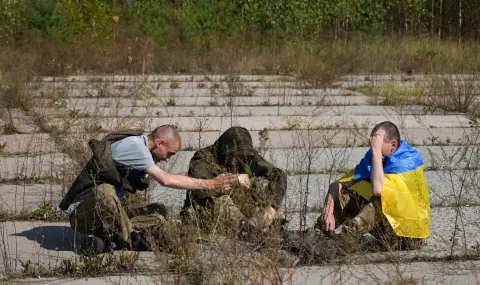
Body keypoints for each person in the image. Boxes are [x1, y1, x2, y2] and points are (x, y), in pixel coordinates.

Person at [59, 125, 240, 255]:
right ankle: (132, 239)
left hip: (105, 214)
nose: (168, 159)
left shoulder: (142, 147)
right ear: (159, 143)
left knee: (158, 210)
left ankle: (108, 240)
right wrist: (211, 184)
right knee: (105, 191)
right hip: (83, 215)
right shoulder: (137, 148)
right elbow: (166, 180)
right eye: (169, 154)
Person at [285, 121, 430, 262]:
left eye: (377, 143)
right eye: (372, 142)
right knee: (348, 193)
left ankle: (341, 242)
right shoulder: (377, 155)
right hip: (390, 227)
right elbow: (337, 185)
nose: (372, 147)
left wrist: (376, 153)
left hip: (408, 238)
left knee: (381, 199)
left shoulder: (407, 161)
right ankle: (317, 234)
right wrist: (328, 211)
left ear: (393, 145)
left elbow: (378, 190)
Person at [181, 126, 288, 240]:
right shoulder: (202, 159)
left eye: (242, 156)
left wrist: (271, 206)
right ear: (224, 150)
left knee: (262, 184)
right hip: (209, 208)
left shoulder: (247, 157)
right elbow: (201, 189)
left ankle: (260, 222)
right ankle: (244, 228)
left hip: (239, 206)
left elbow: (277, 175)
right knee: (223, 197)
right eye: (234, 155)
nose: (238, 160)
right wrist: (234, 180)